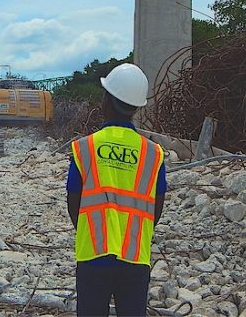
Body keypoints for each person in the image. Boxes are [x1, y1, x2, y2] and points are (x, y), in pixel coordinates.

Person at [66, 63, 167, 317]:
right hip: (135, 255)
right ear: (136, 107)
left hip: (93, 253)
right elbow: (157, 206)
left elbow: (73, 200)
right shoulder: (153, 153)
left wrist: (88, 230)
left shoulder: (85, 147)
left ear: (107, 101)